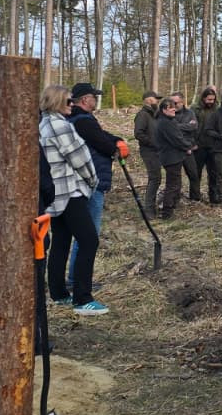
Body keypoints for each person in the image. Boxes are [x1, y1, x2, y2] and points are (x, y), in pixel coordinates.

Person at [40, 85, 104, 314]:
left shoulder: (44, 123)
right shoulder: (59, 125)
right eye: (68, 101)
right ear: (57, 102)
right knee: (89, 240)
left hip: (55, 193)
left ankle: (58, 293)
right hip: (69, 191)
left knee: (61, 240)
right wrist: (92, 180)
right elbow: (79, 158)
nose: (72, 105)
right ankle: (82, 299)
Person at [68, 82, 125, 279]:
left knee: (82, 235)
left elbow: (102, 135)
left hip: (86, 181)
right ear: (85, 99)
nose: (96, 100)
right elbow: (101, 142)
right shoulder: (82, 120)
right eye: (94, 96)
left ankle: (74, 279)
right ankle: (77, 281)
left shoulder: (81, 118)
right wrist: (115, 148)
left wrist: (116, 139)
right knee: (88, 236)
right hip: (91, 182)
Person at [155, 94, 194, 219]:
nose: (174, 109)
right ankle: (167, 212)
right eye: (171, 108)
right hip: (171, 158)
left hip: (171, 156)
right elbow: (177, 139)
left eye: (174, 107)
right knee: (172, 184)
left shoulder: (166, 121)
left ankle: (172, 206)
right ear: (164, 110)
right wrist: (188, 146)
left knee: (175, 183)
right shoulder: (166, 123)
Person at [191, 87, 222, 205]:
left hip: (213, 146)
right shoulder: (195, 109)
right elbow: (191, 129)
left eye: (213, 99)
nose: (211, 102)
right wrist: (193, 143)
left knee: (213, 173)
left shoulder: (217, 110)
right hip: (199, 145)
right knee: (196, 172)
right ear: (203, 98)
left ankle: (213, 197)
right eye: (209, 99)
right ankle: (195, 197)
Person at [133, 91, 163, 214]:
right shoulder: (143, 115)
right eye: (156, 99)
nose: (158, 102)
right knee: (154, 178)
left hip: (157, 151)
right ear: (149, 100)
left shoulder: (155, 115)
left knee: (157, 178)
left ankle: (151, 207)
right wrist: (153, 143)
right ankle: (149, 210)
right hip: (149, 151)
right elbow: (138, 134)